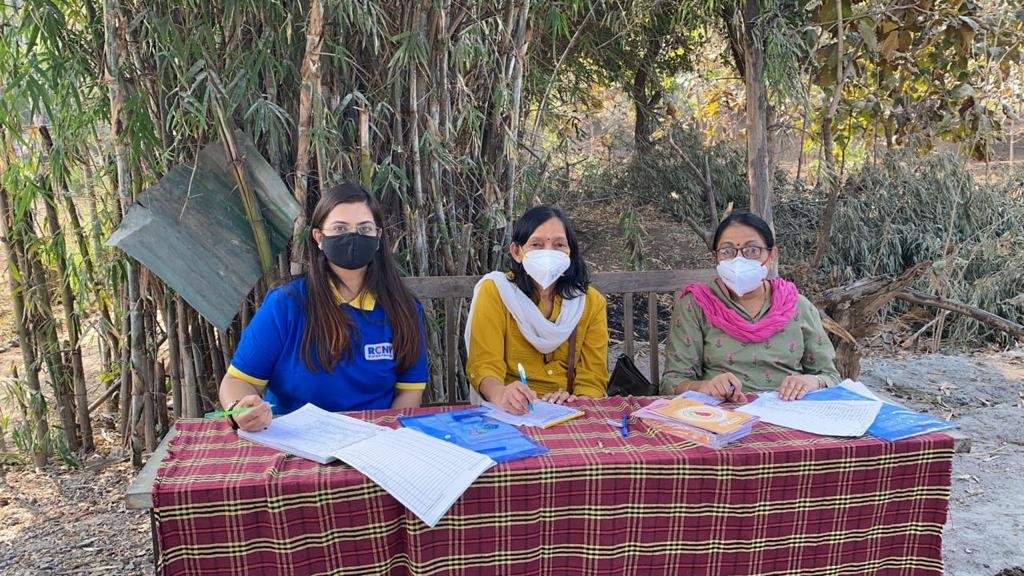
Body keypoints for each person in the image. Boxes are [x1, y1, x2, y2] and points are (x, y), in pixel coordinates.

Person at [218, 183, 428, 432]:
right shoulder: (285, 304)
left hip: (376, 438)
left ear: (378, 237)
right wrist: (240, 409)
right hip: (294, 438)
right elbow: (237, 380)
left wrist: (387, 435)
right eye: (340, 228)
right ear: (319, 237)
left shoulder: (404, 309)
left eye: (364, 229)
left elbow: (409, 393)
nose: (353, 237)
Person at [662, 210, 840, 402]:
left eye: (752, 250)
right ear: (716, 257)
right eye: (727, 251)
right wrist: (704, 387)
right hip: (722, 412)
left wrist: (812, 381)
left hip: (789, 409)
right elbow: (672, 383)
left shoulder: (797, 306)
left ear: (772, 255)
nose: (739, 261)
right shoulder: (697, 306)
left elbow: (831, 376)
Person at [465, 206, 609, 414]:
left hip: (567, 413)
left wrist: (576, 402)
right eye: (536, 245)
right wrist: (502, 394)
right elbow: (484, 365)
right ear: (517, 252)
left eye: (559, 245)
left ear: (570, 253)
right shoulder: (496, 292)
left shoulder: (590, 303)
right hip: (511, 412)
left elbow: (593, 378)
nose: (548, 253)